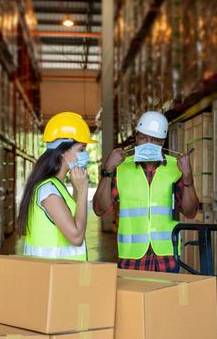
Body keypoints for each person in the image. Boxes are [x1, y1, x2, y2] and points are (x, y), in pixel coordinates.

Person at [93, 111, 199, 272]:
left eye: (154, 140)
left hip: (167, 258)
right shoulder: (121, 168)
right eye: (143, 138)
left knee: (166, 297)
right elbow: (99, 209)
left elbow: (190, 212)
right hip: (131, 259)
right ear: (136, 137)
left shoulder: (175, 168)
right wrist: (108, 169)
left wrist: (188, 177)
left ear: (163, 141)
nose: (148, 144)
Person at [16, 112, 97, 260]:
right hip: (53, 277)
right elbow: (76, 237)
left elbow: (71, 217)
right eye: (81, 149)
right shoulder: (48, 191)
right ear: (62, 152)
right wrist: (83, 190)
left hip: (61, 275)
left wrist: (76, 189)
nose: (86, 154)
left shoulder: (56, 185)